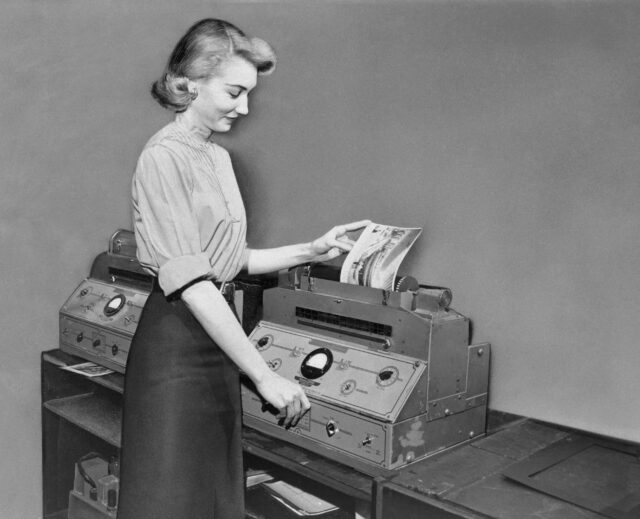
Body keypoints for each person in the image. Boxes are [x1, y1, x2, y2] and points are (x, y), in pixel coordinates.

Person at [117, 18, 369, 519]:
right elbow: (192, 282)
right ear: (189, 82)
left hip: (218, 340)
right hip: (176, 345)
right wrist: (264, 375)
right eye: (234, 91)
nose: (245, 106)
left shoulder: (216, 157)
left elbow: (233, 260)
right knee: (168, 498)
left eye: (249, 93)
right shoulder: (163, 157)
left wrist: (312, 250)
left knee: (214, 496)